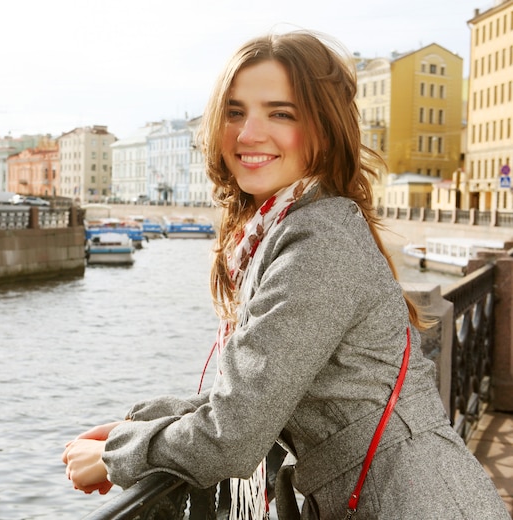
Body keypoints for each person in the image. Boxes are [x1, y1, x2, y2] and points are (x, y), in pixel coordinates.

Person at [63, 30, 510, 519]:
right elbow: (257, 391)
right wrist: (137, 423)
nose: (249, 133)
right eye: (235, 112)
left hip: (416, 502)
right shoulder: (300, 224)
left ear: (323, 128)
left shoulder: (319, 243)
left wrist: (118, 456)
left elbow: (231, 437)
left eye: (280, 113)